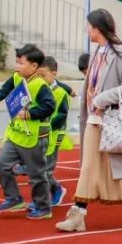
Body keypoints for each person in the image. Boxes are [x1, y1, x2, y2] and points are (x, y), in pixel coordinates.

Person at [56, 10, 122, 233]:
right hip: (95, 119)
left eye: (89, 26)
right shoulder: (97, 53)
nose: (87, 30)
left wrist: (102, 99)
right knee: (89, 167)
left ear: (98, 28)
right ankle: (78, 214)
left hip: (115, 119)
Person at [0, 44, 57, 219]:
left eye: (21, 63)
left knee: (36, 175)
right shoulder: (17, 77)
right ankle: (14, 198)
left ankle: (43, 207)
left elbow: (49, 106)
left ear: (34, 66)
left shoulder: (40, 86)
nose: (17, 67)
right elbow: (6, 88)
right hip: (15, 134)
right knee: (2, 164)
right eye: (16, 63)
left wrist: (29, 114)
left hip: (33, 138)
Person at [39, 56, 71, 208]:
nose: (40, 78)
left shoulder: (61, 93)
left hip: (53, 135)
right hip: (38, 135)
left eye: (43, 75)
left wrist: (48, 125)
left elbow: (62, 115)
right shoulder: (37, 90)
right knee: (37, 170)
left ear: (54, 74)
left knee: (46, 171)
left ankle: (55, 190)